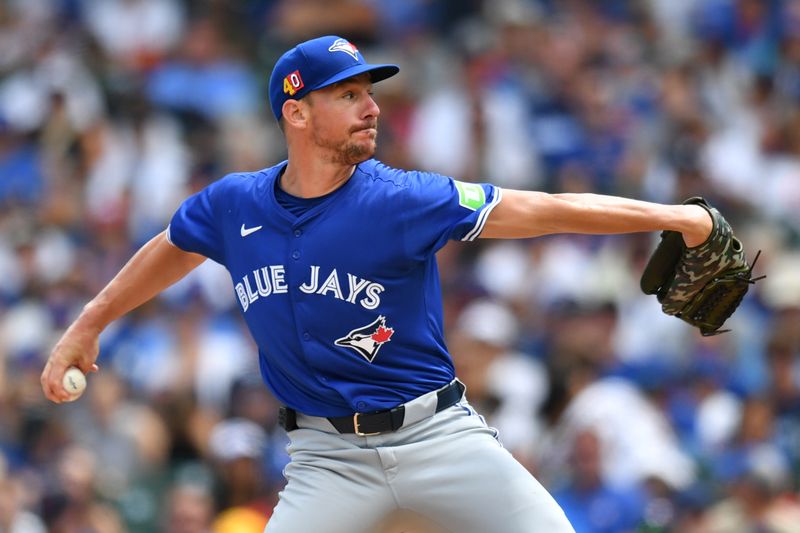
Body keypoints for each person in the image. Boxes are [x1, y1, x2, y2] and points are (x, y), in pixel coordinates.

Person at [41, 35, 714, 533]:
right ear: (297, 114)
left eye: (369, 93)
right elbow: (173, 246)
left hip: (438, 437)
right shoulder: (233, 204)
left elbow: (536, 207)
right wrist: (89, 322)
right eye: (348, 94)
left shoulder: (401, 198)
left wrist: (673, 216)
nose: (370, 108)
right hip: (325, 459)